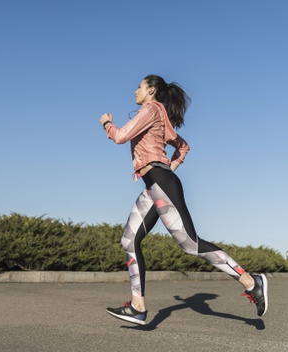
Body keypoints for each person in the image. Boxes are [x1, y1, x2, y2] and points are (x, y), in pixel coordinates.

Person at [99, 74, 268, 326]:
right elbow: (183, 146)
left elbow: (122, 135)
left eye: (139, 87)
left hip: (161, 183)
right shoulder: (159, 114)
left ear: (151, 91)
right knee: (129, 240)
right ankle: (138, 306)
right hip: (153, 186)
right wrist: (170, 167)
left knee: (190, 244)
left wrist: (107, 125)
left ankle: (252, 282)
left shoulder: (151, 108)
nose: (135, 91)